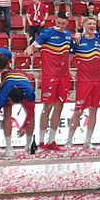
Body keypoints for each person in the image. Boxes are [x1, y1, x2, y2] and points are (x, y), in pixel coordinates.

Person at [26, 13, 73, 152]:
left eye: (63, 23)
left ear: (67, 23)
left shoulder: (68, 35)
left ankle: (51, 140)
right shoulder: (46, 33)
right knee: (47, 107)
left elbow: (71, 52)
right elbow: (35, 44)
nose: (61, 26)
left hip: (64, 76)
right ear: (55, 21)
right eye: (59, 23)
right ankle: (41, 142)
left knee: (59, 107)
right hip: (49, 75)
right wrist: (30, 48)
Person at [0, 60, 37, 156]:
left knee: (32, 114)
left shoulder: (29, 93)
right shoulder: (3, 95)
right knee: (7, 113)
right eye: (11, 102)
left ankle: (28, 145)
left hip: (22, 79)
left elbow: (31, 111)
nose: (12, 104)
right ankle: (8, 147)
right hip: (7, 80)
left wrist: (24, 126)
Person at [68, 16, 100, 146]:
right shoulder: (77, 40)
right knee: (78, 110)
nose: (92, 26)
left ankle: (88, 141)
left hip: (98, 81)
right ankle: (69, 141)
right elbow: (68, 60)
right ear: (83, 25)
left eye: (94, 24)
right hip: (83, 81)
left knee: (93, 110)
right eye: (89, 23)